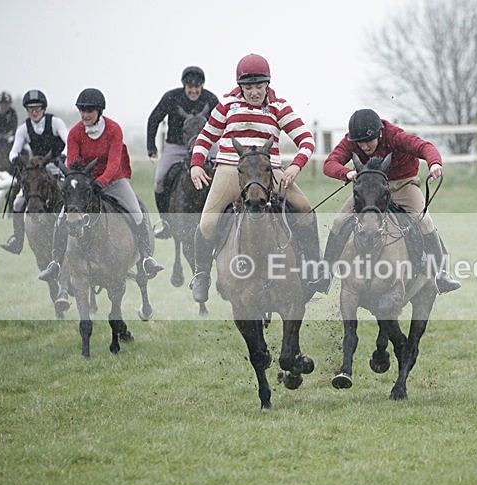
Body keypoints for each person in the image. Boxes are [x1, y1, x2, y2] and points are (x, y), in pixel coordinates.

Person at [188, 53, 320, 303]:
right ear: (240, 87)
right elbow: (206, 137)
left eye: (259, 87)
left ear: (267, 84)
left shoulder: (280, 106)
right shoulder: (226, 104)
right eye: (248, 88)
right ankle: (202, 275)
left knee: (305, 208)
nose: (254, 93)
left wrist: (295, 166)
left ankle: (314, 268)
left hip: (268, 170)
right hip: (231, 167)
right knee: (207, 223)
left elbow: (306, 140)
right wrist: (196, 165)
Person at [314, 108, 461, 294]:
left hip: (403, 185)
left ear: (380, 133)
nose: (364, 147)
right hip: (370, 189)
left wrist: (434, 163)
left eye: (368, 141)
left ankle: (441, 274)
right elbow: (329, 164)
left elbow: (424, 147)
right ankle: (325, 275)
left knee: (425, 220)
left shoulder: (395, 136)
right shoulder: (352, 141)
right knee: (339, 220)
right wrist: (347, 173)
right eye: (359, 143)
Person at [38, 88, 164, 282]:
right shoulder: (74, 133)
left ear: (99, 112)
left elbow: (114, 164)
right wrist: (85, 184)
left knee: (137, 212)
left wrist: (101, 182)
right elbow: (72, 164)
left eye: (89, 111)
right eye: (82, 110)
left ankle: (146, 257)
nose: (85, 115)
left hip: (114, 180)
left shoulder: (114, 130)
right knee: (62, 217)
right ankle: (55, 262)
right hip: (85, 184)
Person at [147, 66, 218, 239]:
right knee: (159, 180)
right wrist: (151, 147)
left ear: (202, 86)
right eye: (190, 87)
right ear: (184, 86)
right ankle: (166, 223)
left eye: (197, 88)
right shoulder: (171, 97)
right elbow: (154, 118)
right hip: (176, 146)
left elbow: (224, 122)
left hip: (207, 144)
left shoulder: (211, 99)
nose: (193, 91)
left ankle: (225, 219)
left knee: (223, 173)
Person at [0, 89, 69, 255]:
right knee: (17, 203)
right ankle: (18, 241)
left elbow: (69, 142)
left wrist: (63, 155)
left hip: (57, 167)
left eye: (37, 108)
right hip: (37, 172)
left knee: (71, 194)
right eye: (31, 109)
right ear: (27, 110)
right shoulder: (23, 128)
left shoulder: (55, 123)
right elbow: (13, 152)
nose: (34, 111)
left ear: (43, 108)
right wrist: (16, 159)